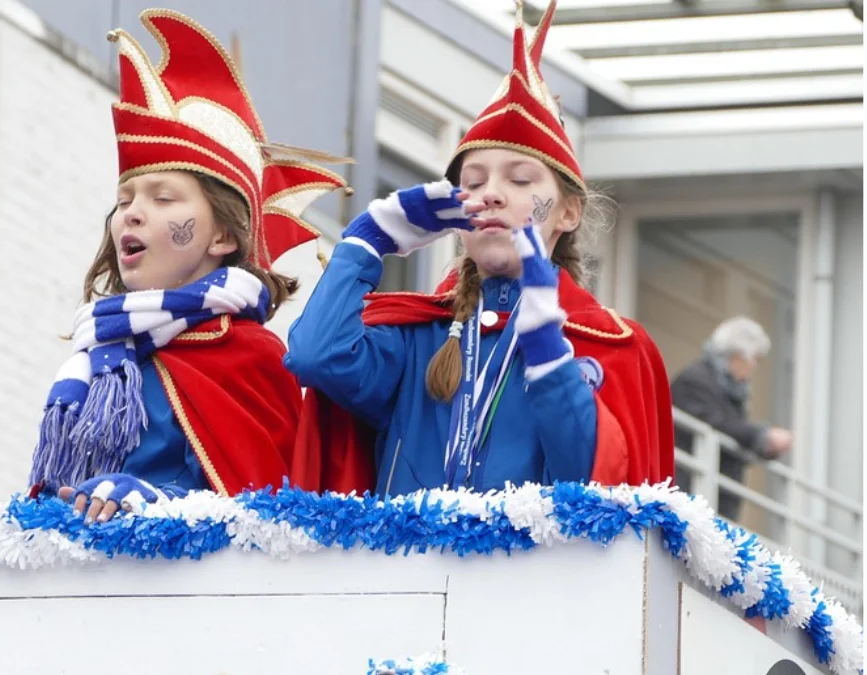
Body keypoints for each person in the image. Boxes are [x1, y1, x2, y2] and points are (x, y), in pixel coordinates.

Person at [285, 0, 674, 497]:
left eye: (519, 179)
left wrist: (551, 359)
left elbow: (597, 492)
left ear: (568, 213)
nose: (490, 193)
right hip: (409, 575)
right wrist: (366, 239)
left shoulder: (613, 345)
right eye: (473, 181)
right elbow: (316, 358)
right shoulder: (417, 337)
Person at [26, 9, 349, 521]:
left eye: (163, 198)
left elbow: (264, 517)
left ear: (221, 235)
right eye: (126, 197)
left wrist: (156, 502)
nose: (131, 212)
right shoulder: (102, 351)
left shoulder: (251, 355)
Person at [671, 317, 791, 521]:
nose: (754, 366)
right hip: (689, 494)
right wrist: (763, 436)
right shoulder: (695, 379)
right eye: (755, 358)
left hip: (713, 497)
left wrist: (762, 442)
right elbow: (719, 425)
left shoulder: (728, 388)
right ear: (737, 355)